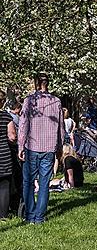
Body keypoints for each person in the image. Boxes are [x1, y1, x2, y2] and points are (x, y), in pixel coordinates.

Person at [18, 73, 64, 224]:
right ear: (47, 83)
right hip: (49, 147)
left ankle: (30, 215)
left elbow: (23, 125)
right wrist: (60, 146)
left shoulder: (29, 101)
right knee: (44, 183)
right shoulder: (56, 101)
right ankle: (39, 217)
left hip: (32, 146)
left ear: (36, 84)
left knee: (29, 182)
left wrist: (20, 145)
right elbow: (61, 127)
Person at [0, 90, 17, 220]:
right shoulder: (6, 116)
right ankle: (3, 215)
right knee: (4, 186)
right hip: (3, 155)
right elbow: (12, 137)